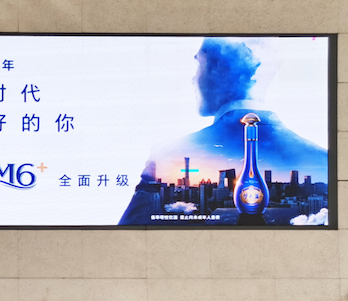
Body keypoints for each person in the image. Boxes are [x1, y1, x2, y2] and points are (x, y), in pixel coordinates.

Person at [119, 37, 329, 225]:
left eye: (199, 65)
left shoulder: (169, 154)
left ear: (219, 71)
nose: (193, 79)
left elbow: (129, 240)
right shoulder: (324, 158)